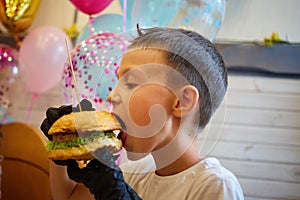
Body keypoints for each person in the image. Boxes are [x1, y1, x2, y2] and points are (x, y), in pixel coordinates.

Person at [41, 27, 244, 200]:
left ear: (182, 102)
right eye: (117, 82)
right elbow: (69, 197)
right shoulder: (137, 173)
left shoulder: (215, 185)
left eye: (131, 83)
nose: (112, 96)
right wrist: (63, 145)